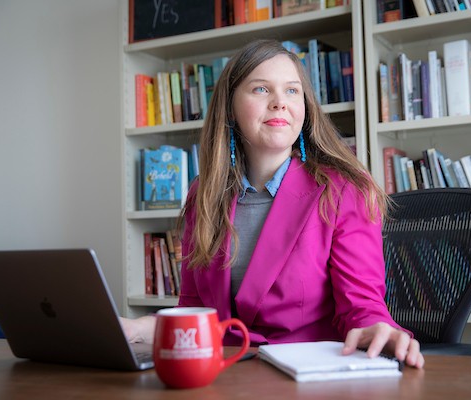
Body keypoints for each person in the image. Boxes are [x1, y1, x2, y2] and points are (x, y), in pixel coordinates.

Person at [121, 39, 424, 369]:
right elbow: (194, 311)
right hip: (226, 375)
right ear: (231, 109)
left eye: (292, 91)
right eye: (261, 89)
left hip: (307, 380)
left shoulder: (343, 190)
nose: (280, 102)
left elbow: (361, 306)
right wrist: (137, 328)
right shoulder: (203, 194)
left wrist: (376, 329)